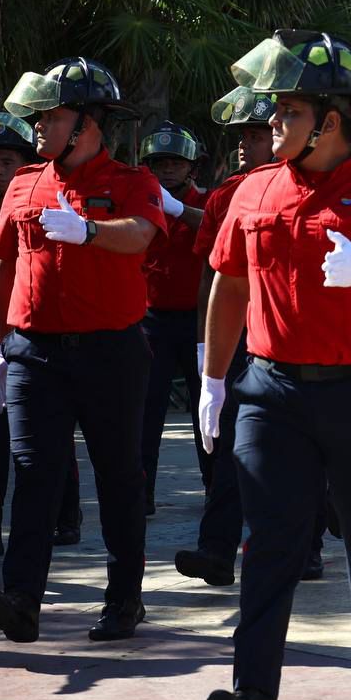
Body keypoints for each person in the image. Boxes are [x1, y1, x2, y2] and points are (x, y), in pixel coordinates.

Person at [199, 30, 351, 700]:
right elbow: (230, 284)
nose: (273, 122)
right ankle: (253, 698)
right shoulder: (254, 189)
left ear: (329, 121)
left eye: (288, 111)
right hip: (272, 393)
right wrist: (213, 379)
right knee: (270, 540)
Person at [0, 57, 165, 643]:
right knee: (34, 475)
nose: (38, 127)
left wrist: (90, 231)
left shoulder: (132, 182)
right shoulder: (25, 183)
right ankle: (22, 601)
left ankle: (124, 599)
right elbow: (3, 267)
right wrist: (1, 348)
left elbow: (141, 233)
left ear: (87, 123)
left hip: (111, 353)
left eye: (51, 117)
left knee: (118, 476)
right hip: (35, 354)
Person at [0, 114, 84, 566]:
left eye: (7, 162)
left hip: (36, 328)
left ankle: (66, 516)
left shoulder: (50, 209)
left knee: (50, 426)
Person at [173, 87, 277, 587]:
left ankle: (307, 546)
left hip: (288, 337)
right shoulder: (224, 197)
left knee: (296, 448)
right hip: (237, 338)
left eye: (255, 135)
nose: (244, 144)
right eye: (241, 136)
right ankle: (216, 551)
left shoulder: (311, 186)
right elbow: (209, 279)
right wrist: (204, 348)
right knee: (232, 447)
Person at [138, 120, 209, 515]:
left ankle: (214, 487)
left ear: (191, 168)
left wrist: (178, 210)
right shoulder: (141, 201)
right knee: (146, 409)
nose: (167, 171)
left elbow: (214, 226)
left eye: (176, 164)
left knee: (206, 408)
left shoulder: (207, 201)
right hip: (151, 320)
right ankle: (141, 492)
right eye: (160, 164)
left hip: (198, 323)